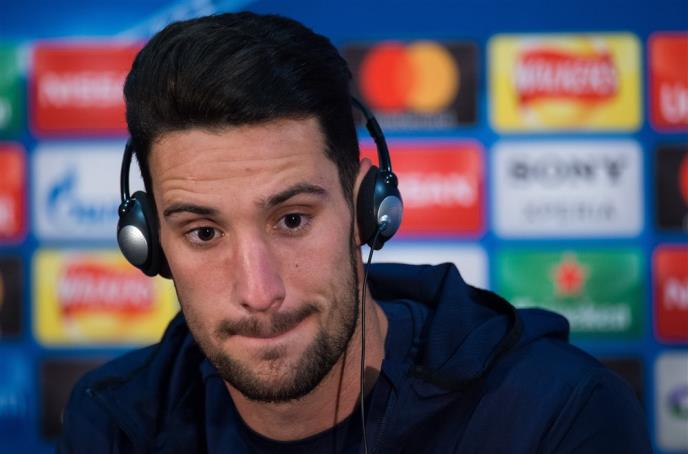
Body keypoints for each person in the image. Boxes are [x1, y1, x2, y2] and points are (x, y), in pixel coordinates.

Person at [58, 12, 651, 453]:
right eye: (204, 233)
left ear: (366, 209)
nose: (259, 292)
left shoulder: (552, 415)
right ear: (152, 245)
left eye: (292, 220)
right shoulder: (114, 423)